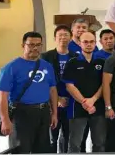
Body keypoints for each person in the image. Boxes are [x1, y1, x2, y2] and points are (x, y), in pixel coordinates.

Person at [0, 32, 58, 153]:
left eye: (38, 45)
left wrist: (54, 113)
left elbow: (52, 90)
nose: (35, 48)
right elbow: (2, 96)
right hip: (21, 114)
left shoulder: (47, 66)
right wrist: (5, 120)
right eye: (31, 45)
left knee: (42, 150)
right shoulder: (11, 67)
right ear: (23, 45)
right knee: (21, 150)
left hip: (43, 113)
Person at [63, 32, 107, 152]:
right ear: (80, 43)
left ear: (95, 43)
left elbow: (105, 84)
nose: (89, 44)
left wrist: (92, 100)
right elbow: (69, 85)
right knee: (75, 144)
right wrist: (84, 102)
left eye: (91, 42)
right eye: (85, 42)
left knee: (99, 143)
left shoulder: (102, 62)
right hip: (77, 108)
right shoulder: (72, 62)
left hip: (98, 107)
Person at [41, 25, 78, 153]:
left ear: (71, 37)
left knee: (68, 136)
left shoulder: (76, 57)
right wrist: (56, 99)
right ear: (55, 38)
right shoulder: (45, 57)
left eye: (66, 35)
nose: (63, 38)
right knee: (52, 137)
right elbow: (43, 81)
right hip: (52, 103)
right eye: (60, 35)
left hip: (71, 102)